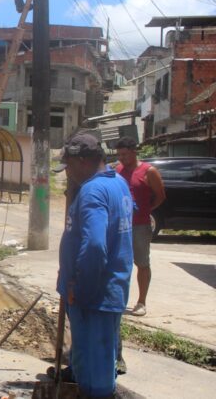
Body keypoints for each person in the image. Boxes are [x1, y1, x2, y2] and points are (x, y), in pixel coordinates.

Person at [54, 133, 133, 399]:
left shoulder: (92, 191)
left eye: (70, 166)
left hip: (94, 296)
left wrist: (80, 287)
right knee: (94, 361)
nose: (68, 174)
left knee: (95, 375)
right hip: (109, 290)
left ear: (84, 161)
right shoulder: (119, 183)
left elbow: (96, 246)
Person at [114, 137, 166, 317]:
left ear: (134, 152)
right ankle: (119, 300)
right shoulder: (118, 170)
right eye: (119, 154)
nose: (121, 158)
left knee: (142, 263)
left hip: (140, 225)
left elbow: (160, 196)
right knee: (120, 262)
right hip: (121, 225)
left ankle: (141, 301)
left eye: (125, 154)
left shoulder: (149, 171)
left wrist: (147, 210)